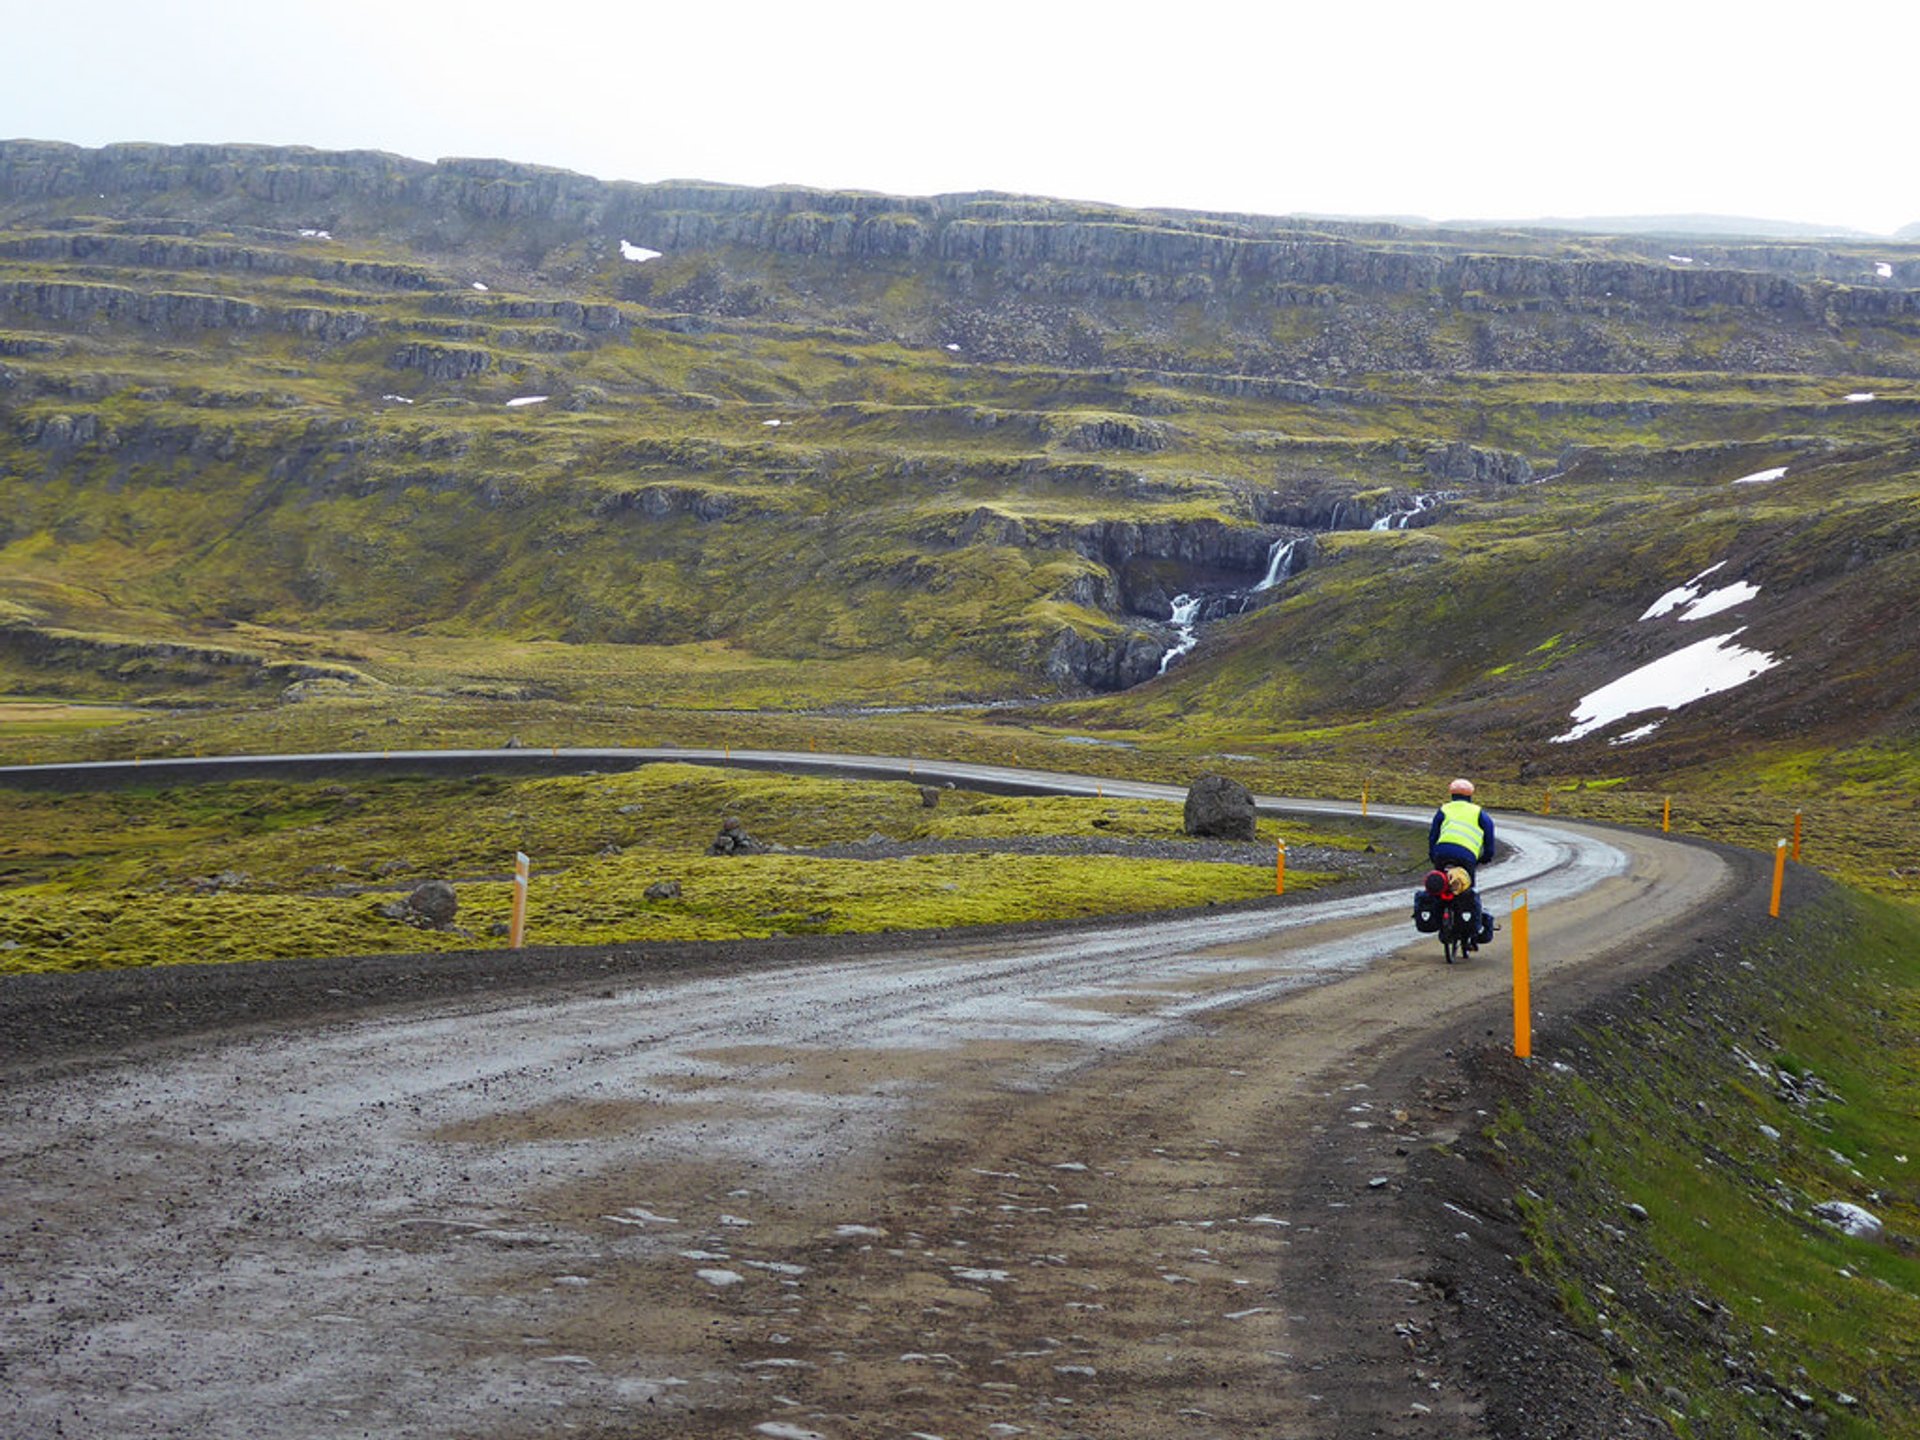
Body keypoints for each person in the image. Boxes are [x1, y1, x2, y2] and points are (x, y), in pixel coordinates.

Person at [1429, 778, 1496, 881]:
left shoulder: (1444, 809)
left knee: (1438, 885)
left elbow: (1433, 836)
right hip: (1466, 855)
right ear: (1470, 795)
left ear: (1452, 794)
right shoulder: (1478, 812)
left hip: (1442, 852)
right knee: (1466, 889)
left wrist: (1433, 854)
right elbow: (1489, 833)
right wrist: (1487, 856)